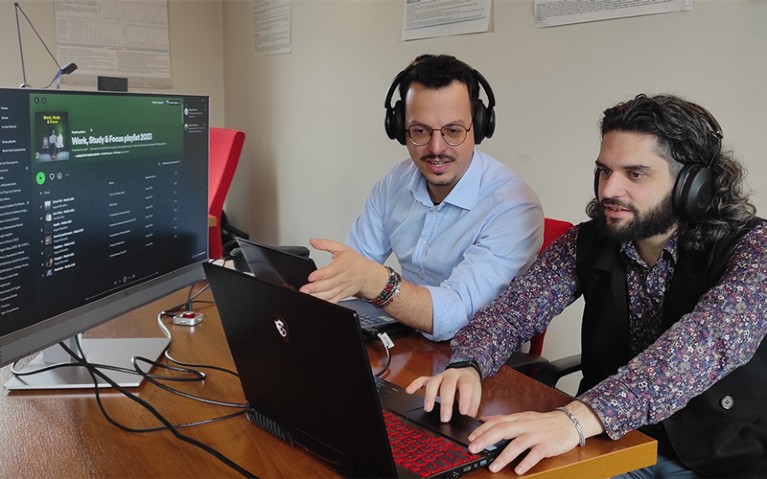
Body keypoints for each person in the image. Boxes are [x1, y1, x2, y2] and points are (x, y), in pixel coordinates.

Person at [407, 93, 766, 477]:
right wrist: (468, 362)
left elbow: (701, 347)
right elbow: (513, 312)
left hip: (720, 460)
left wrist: (578, 418)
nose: (609, 190)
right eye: (604, 171)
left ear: (694, 187)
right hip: (613, 440)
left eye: (635, 174)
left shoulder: (754, 251)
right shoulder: (589, 240)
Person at [299, 55, 543, 341]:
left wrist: (376, 282)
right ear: (399, 127)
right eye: (420, 131)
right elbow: (355, 264)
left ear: (478, 125)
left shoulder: (513, 207)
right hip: (405, 339)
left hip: (476, 359)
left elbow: (455, 315)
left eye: (453, 131)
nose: (436, 148)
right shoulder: (394, 183)